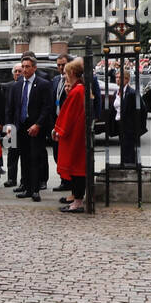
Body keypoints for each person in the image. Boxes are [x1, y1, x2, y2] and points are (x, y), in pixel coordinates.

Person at [12, 54, 54, 202]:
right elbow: (13, 107)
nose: (24, 70)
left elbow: (47, 107)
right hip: (21, 127)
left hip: (36, 127)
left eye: (27, 67)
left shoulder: (42, 84)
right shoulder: (17, 85)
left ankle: (36, 189)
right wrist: (12, 126)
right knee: (24, 158)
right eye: (22, 67)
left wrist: (38, 124)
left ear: (34, 68)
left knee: (35, 158)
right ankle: (27, 187)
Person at [52, 57, 88, 213]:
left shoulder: (78, 91)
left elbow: (69, 114)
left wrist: (58, 130)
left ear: (72, 72)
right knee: (77, 168)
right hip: (77, 135)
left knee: (76, 169)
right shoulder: (79, 89)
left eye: (66, 73)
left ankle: (77, 202)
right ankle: (76, 199)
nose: (65, 76)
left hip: (74, 137)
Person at [50, 54, 70, 192]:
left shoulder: (73, 81)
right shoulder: (56, 80)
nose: (61, 68)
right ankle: (63, 179)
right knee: (57, 154)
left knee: (67, 154)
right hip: (56, 122)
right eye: (59, 65)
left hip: (68, 123)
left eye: (63, 65)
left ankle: (69, 182)